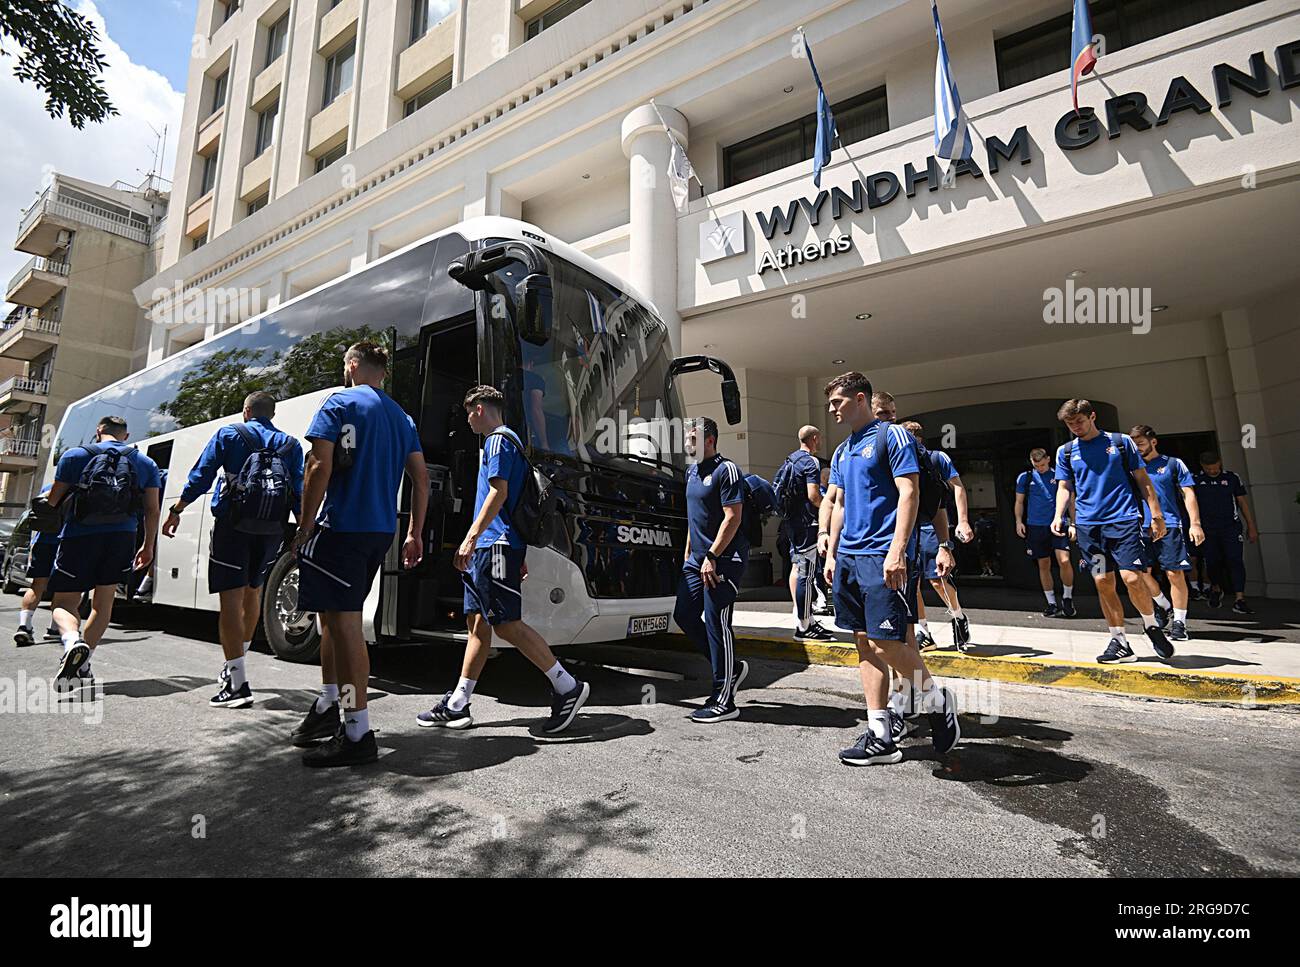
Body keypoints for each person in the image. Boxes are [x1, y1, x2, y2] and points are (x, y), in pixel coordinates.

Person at [417, 384, 591, 734]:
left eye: (468, 413)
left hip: (493, 546)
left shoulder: (497, 440)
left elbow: (499, 493)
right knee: (478, 626)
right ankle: (458, 703)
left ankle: (567, 686)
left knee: (506, 624)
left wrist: (470, 538)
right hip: (497, 546)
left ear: (479, 409)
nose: (467, 420)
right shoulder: (509, 442)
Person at [290, 342, 429, 767]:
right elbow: (422, 480)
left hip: (342, 527)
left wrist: (304, 522)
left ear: (352, 366)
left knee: (346, 625)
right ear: (383, 372)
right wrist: (415, 532)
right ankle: (329, 705)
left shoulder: (339, 402)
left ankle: (358, 733)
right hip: (379, 530)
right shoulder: (401, 416)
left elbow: (318, 465)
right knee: (332, 618)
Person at [823, 372, 960, 766]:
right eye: (831, 403)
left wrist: (897, 549)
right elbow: (841, 504)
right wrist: (832, 553)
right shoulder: (843, 450)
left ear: (860, 398)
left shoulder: (892, 436)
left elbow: (910, 492)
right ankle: (880, 735)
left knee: (887, 643)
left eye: (838, 401)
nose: (833, 409)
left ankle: (936, 700)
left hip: (882, 555)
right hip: (849, 556)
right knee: (864, 645)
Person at [162, 391, 305, 708]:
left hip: (233, 526)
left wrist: (177, 509)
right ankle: (235, 666)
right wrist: (302, 530)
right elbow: (298, 490)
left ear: (247, 411)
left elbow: (201, 475)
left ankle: (237, 682)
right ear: (272, 414)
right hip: (271, 530)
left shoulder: (230, 434)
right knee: (253, 592)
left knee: (230, 598)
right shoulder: (291, 445)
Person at [1051, 399, 1173, 664]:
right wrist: (1059, 514)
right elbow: (1064, 487)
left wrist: (1157, 515)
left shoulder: (1120, 442)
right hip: (1088, 527)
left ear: (1092, 416)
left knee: (1131, 578)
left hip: (1123, 521)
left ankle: (1151, 625)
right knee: (1103, 582)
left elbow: (1143, 479)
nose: (1076, 428)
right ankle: (1119, 642)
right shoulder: (1067, 452)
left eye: (1079, 422)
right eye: (1070, 424)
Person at [45, 416, 161, 690]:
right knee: (103, 602)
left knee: (64, 602)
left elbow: (52, 501)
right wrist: (148, 546)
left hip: (79, 536)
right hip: (122, 537)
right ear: (126, 434)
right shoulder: (145, 463)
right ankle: (83, 664)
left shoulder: (74, 456)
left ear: (99, 431)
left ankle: (73, 642)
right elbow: (152, 510)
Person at [673, 417, 750, 723]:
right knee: (684, 615)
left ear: (710, 439)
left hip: (724, 560)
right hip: (697, 561)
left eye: (692, 438)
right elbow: (695, 518)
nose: (687, 443)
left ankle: (724, 698)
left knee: (717, 622)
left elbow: (733, 517)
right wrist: (689, 555)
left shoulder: (726, 470)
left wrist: (713, 555)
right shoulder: (692, 471)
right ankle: (731, 668)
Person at [896, 419, 973, 651]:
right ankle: (924, 631)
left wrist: (963, 520)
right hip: (907, 527)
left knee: (937, 579)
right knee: (911, 582)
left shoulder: (936, 458)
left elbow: (957, 486)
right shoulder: (897, 461)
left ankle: (958, 616)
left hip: (931, 524)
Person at [1129, 426, 1203, 641]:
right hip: (1139, 526)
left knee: (1174, 573)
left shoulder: (1172, 463)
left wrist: (1195, 524)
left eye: (1141, 444)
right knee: (1140, 572)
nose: (1138, 449)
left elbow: (1188, 493)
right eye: (1134, 446)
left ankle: (1179, 622)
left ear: (1153, 442)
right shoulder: (1131, 467)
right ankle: (1162, 603)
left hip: (1169, 524)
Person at [778, 425, 833, 642]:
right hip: (806, 523)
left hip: (791, 522)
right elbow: (813, 495)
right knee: (807, 573)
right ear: (815, 438)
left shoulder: (790, 459)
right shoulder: (811, 461)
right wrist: (826, 508)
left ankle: (805, 620)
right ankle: (804, 625)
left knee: (797, 568)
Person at [1193, 452, 1258, 615]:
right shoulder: (1196, 480)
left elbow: (1242, 502)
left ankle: (1239, 598)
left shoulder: (1231, 478)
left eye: (1215, 468)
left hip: (1230, 526)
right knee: (1212, 561)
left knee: (1235, 560)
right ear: (1202, 466)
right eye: (1209, 469)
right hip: (1208, 528)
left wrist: (1251, 525)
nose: (1213, 471)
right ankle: (1215, 588)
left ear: (1220, 463)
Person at [1015, 447, 1077, 618]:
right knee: (1043, 564)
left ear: (1048, 459)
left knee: (1064, 560)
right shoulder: (1025, 477)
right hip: (1035, 525)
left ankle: (1067, 598)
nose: (1040, 467)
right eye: (1036, 465)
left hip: (1058, 523)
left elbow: (1071, 501)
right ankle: (1051, 602)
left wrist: (1073, 523)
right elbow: (1019, 502)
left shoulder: (1060, 476)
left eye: (1042, 464)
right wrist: (1019, 521)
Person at [14, 483, 60, 647]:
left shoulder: (47, 488)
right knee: (63, 589)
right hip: (64, 542)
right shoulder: (77, 488)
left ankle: (24, 626)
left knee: (36, 586)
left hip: (42, 541)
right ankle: (54, 629)